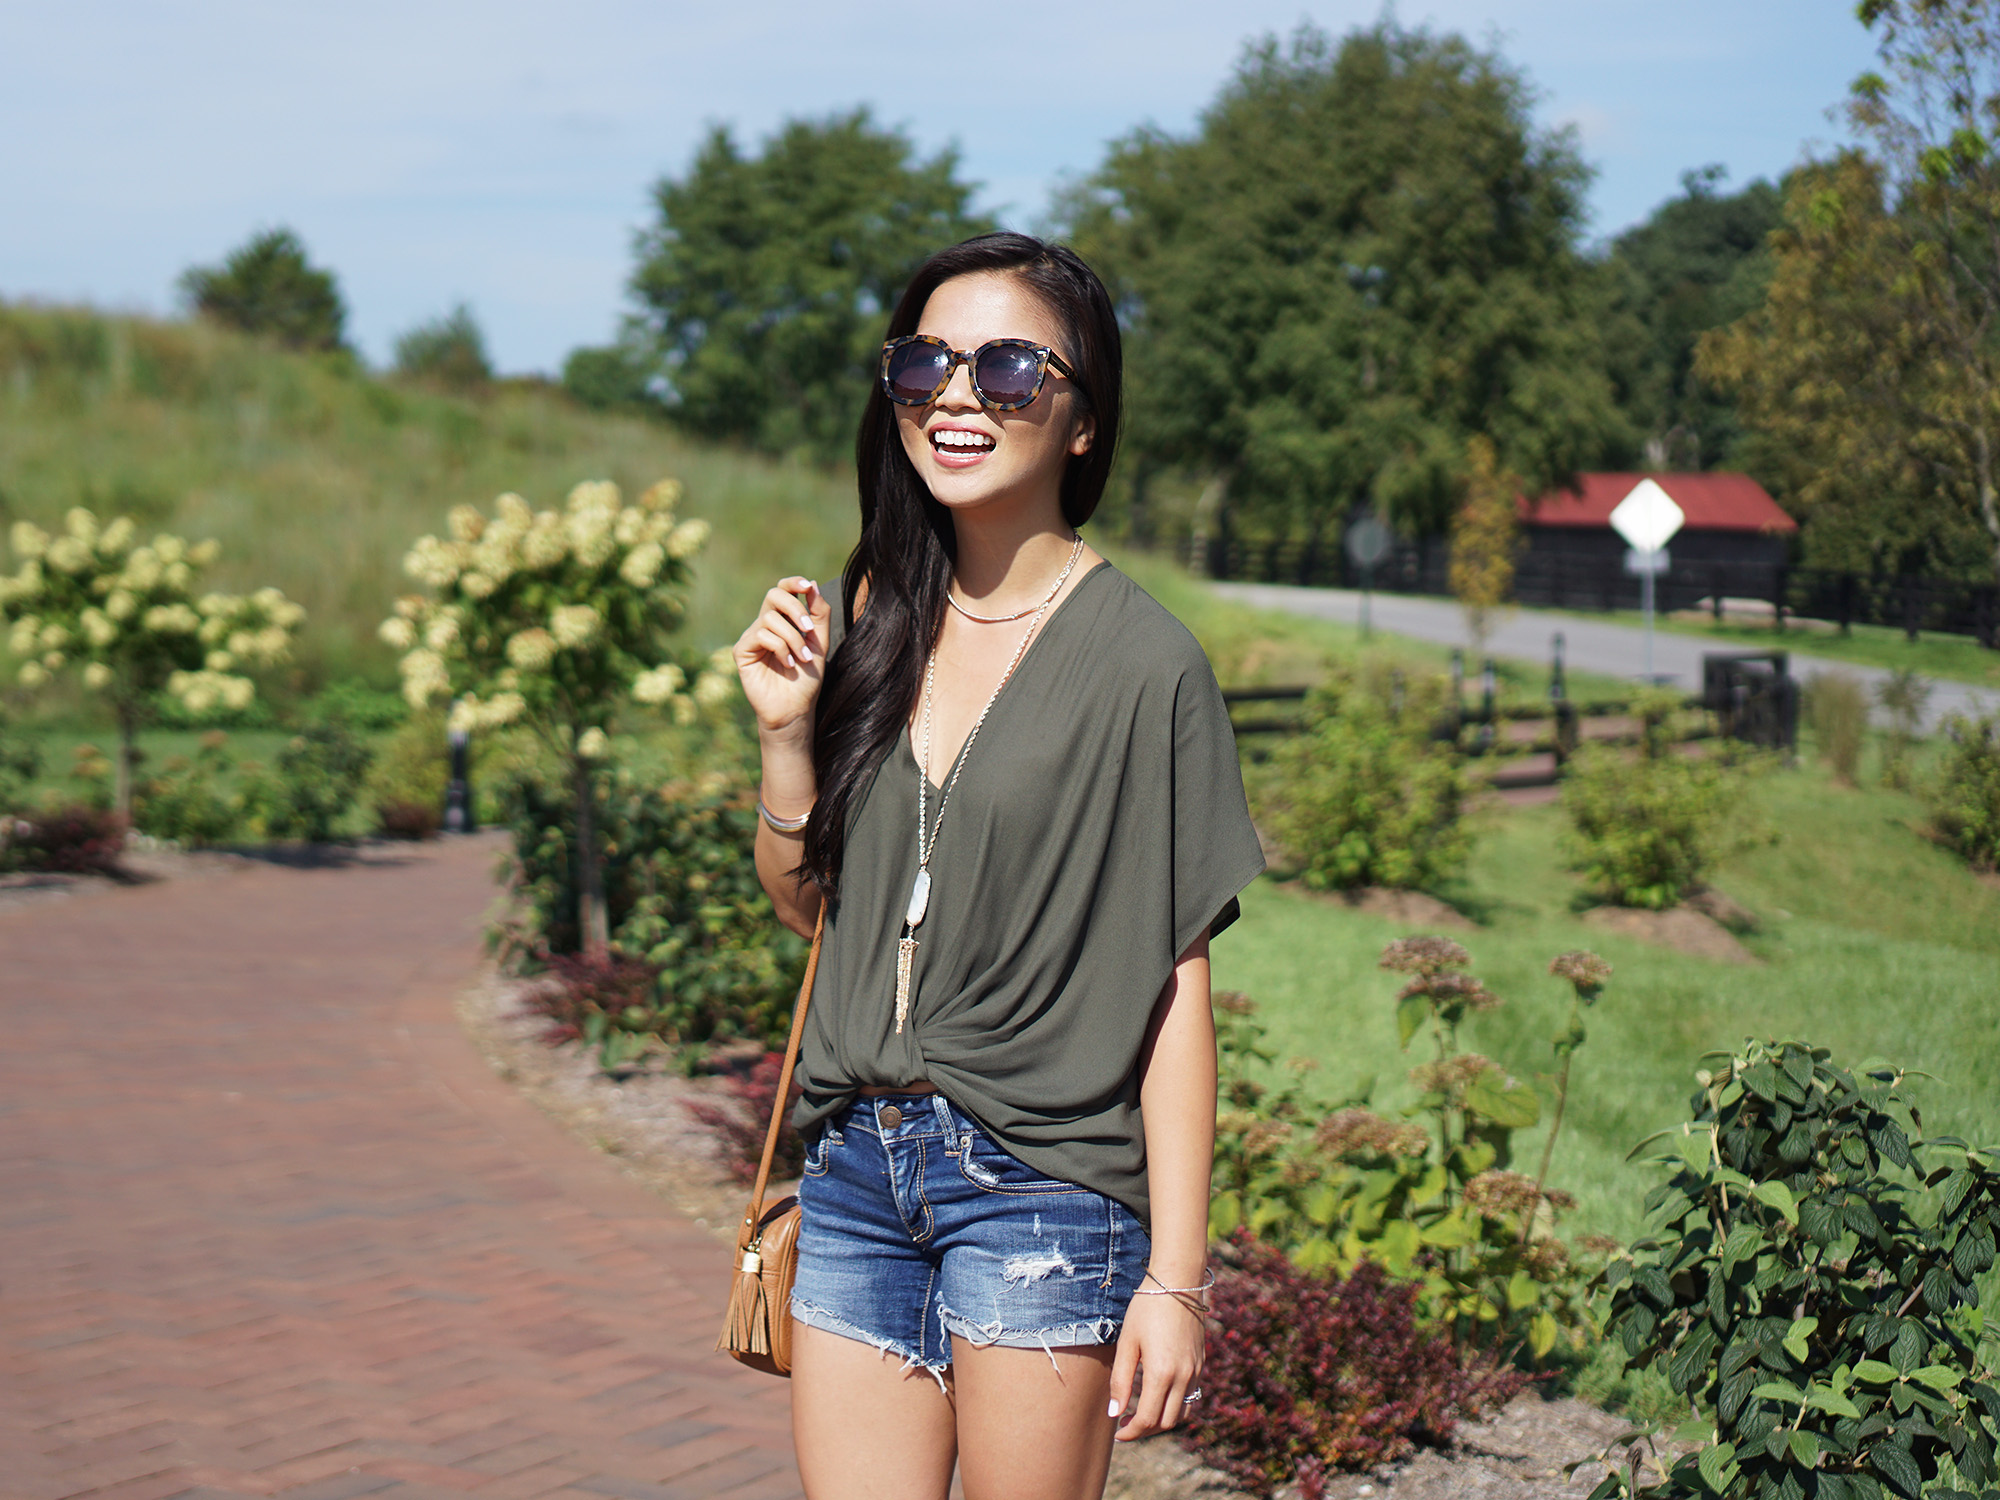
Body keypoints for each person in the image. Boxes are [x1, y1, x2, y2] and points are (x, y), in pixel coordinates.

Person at [731, 231, 1265, 1500]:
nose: (957, 396)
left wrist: (1176, 1281)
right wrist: (784, 741)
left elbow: (1173, 989)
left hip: (1040, 1186)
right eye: (925, 363)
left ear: (1083, 421)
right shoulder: (877, 616)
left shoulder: (1145, 666)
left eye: (1010, 367)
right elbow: (814, 912)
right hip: (854, 1170)